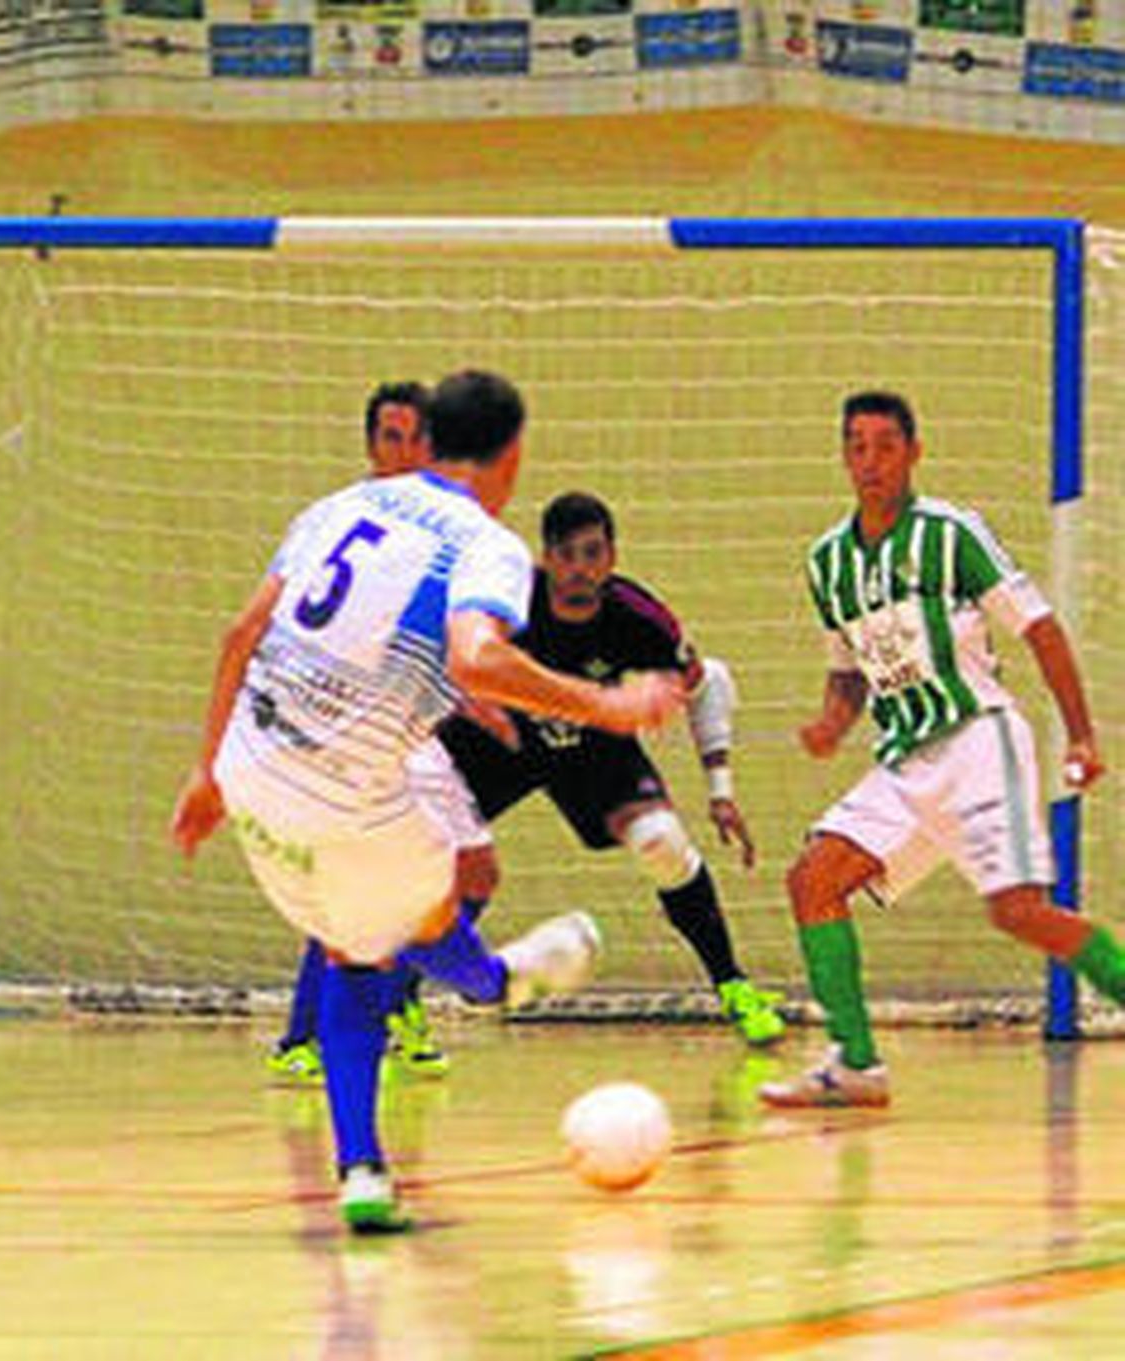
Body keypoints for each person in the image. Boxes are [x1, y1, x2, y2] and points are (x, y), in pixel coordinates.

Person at [171, 368, 686, 1233]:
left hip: (251, 770)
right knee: (432, 909)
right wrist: (612, 705)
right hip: (349, 794)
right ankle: (494, 983)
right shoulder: (485, 545)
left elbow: (240, 633)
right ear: (511, 456)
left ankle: (362, 1167)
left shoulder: (338, 505)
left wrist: (204, 774)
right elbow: (480, 658)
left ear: (431, 438)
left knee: (350, 950)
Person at [760, 389, 1125, 1108]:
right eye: (856, 446)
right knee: (813, 880)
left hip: (978, 740)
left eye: (885, 445)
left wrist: (1080, 732)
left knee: (1019, 910)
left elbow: (1041, 628)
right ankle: (855, 1062)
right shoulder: (827, 563)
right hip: (907, 758)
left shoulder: (952, 533)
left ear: (914, 452)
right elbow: (848, 670)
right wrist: (832, 722)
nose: (870, 461)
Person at [438, 491, 785, 1045]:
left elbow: (706, 681)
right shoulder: (507, 601)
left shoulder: (639, 620)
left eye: (592, 553)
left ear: (612, 556)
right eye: (567, 554)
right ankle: (398, 1005)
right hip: (501, 740)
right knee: (435, 861)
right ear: (546, 557)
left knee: (662, 842)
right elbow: (448, 655)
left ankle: (732, 986)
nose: (580, 568)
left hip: (595, 749)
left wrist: (720, 790)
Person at [266, 382, 500, 1086]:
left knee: (473, 870)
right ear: (371, 446)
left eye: (416, 438)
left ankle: (394, 998)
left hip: (410, 728)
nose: (404, 450)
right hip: (344, 721)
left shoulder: (449, 528)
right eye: (390, 437)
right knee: (355, 882)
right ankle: (303, 1037)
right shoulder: (340, 520)